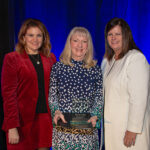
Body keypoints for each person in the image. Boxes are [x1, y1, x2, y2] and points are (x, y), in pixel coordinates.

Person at [1, 18, 56, 150]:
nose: (35, 39)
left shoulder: (51, 58)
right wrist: (12, 126)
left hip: (45, 121)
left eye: (39, 35)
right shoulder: (12, 58)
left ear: (44, 38)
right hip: (22, 123)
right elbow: (9, 96)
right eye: (30, 35)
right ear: (23, 38)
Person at [48, 27, 104, 150]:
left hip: (87, 132)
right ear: (69, 43)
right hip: (64, 132)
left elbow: (99, 97)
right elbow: (52, 95)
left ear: (88, 46)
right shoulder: (58, 67)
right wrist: (56, 111)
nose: (80, 45)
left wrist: (95, 115)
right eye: (76, 40)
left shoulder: (95, 69)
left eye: (84, 41)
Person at [102, 17, 150, 150]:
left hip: (129, 132)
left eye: (118, 34)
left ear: (126, 35)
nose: (113, 38)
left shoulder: (135, 59)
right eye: (110, 34)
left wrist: (133, 129)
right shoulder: (107, 61)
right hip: (112, 129)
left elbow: (139, 98)